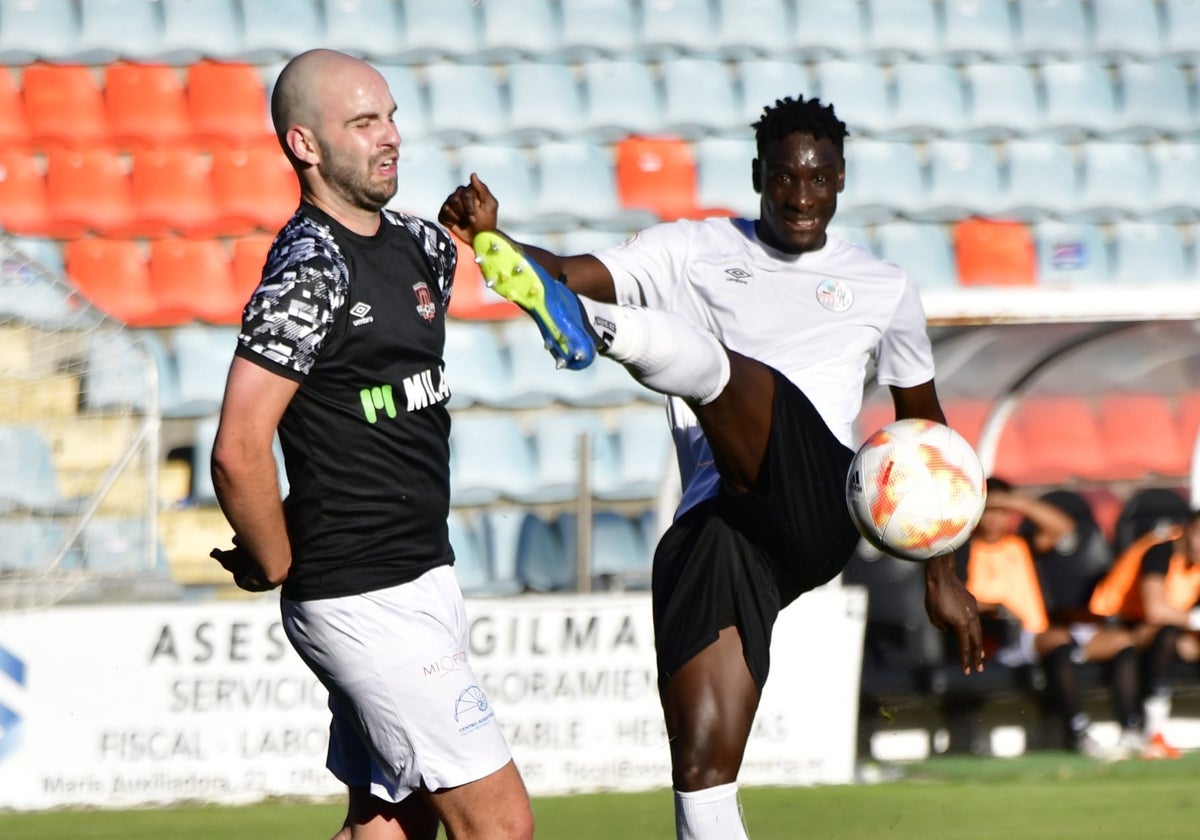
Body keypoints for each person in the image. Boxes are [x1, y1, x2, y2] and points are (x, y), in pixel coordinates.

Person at [440, 95, 984, 840]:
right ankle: (583, 319)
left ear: (842, 179)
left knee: (731, 374)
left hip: (819, 499)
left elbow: (924, 431)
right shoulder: (693, 249)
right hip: (720, 525)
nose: (801, 196)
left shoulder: (883, 287)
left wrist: (943, 574)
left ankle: (593, 329)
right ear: (759, 173)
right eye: (785, 178)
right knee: (703, 771)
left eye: (819, 179)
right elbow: (567, 268)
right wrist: (492, 240)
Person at [208, 49, 534, 840]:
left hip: (422, 571)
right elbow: (238, 446)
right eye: (363, 123)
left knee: (389, 823)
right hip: (361, 592)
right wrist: (276, 557)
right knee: (500, 826)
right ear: (305, 145)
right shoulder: (307, 270)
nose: (390, 137)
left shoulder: (422, 247)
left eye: (390, 117)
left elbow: (348, 424)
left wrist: (481, 238)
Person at [959, 477, 1144, 760]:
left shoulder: (1021, 544)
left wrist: (1017, 501)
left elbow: (1064, 530)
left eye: (1001, 510)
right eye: (989, 509)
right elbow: (959, 600)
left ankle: (1132, 729)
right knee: (1058, 640)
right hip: (1003, 638)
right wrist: (991, 606)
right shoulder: (963, 550)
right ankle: (1077, 731)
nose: (996, 518)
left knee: (1121, 641)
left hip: (1043, 633)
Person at [1089, 508, 1200, 759]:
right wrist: (1194, 620)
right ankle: (1154, 730)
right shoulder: (1160, 550)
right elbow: (1155, 610)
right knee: (1167, 635)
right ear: (1187, 529)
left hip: (1162, 631)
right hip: (1113, 626)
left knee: (1174, 637)